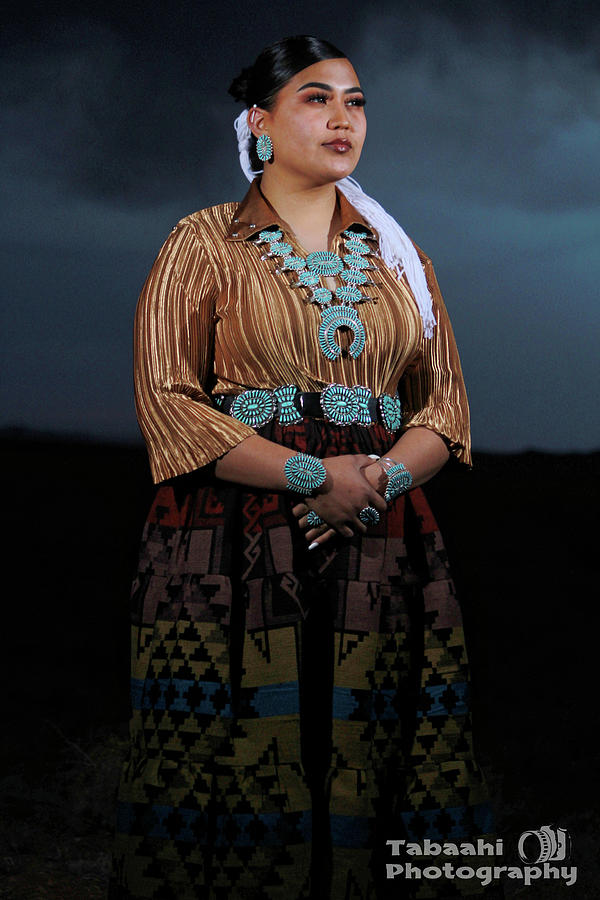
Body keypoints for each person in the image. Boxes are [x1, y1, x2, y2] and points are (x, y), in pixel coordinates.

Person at [109, 35, 498, 900]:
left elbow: (445, 410)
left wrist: (377, 484)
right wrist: (312, 478)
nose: (343, 119)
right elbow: (168, 401)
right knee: (236, 746)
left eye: (355, 101)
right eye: (316, 98)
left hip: (386, 529)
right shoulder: (203, 241)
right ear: (259, 121)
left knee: (380, 738)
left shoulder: (399, 257)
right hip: (230, 534)